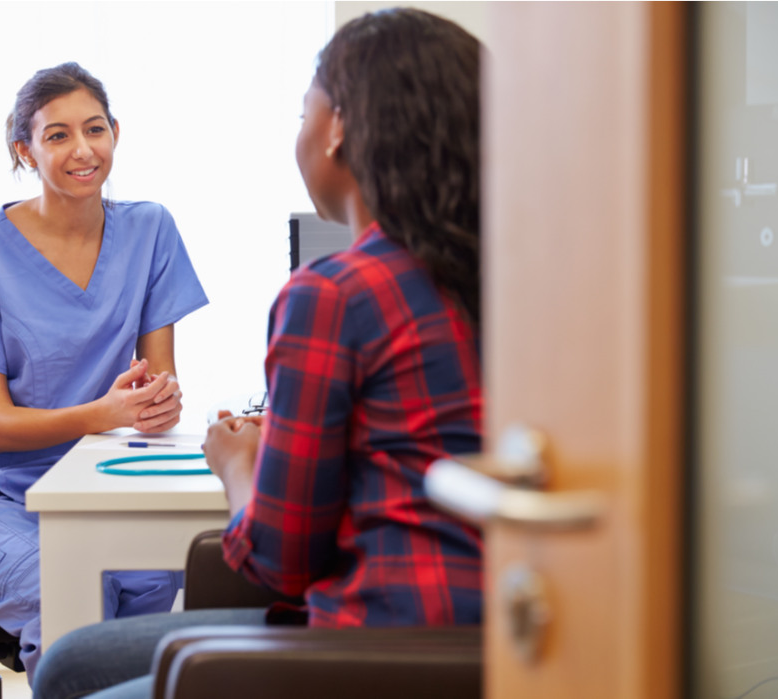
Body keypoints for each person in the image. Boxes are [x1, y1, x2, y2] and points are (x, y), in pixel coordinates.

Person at [33, 8, 482, 698]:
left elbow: (281, 558)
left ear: (337, 129)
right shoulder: (514, 282)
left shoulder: (334, 294)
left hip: (375, 640)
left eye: (306, 109)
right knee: (72, 662)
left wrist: (239, 461)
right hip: (497, 634)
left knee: (69, 673)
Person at [0, 62, 209, 684]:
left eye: (95, 129)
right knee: (64, 588)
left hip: (89, 480)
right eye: (57, 135)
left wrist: (157, 403)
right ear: (25, 150)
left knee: (151, 573)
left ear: (116, 131)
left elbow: (154, 381)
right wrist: (106, 413)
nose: (82, 149)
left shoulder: (150, 230)